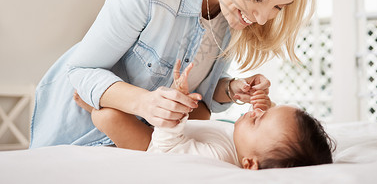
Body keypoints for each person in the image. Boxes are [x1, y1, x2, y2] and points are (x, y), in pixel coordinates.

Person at [30, 0, 315, 149]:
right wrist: (145, 103)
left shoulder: (233, 15)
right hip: (76, 129)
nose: (263, 18)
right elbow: (80, 70)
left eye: (279, 6)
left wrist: (230, 89)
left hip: (135, 143)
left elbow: (192, 88)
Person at [74, 60, 335, 169]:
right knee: (202, 110)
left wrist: (174, 113)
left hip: (154, 145)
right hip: (188, 134)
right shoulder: (251, 145)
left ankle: (92, 104)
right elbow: (272, 128)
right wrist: (262, 102)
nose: (255, 112)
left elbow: (168, 148)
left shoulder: (216, 158)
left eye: (257, 119)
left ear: (249, 164)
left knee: (108, 117)